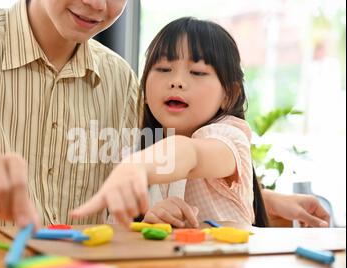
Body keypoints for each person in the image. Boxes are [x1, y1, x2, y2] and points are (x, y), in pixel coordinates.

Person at [0, 2, 329, 229]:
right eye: (165, 69)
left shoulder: (121, 79)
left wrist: (259, 200)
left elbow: (165, 167)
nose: (96, 3)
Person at [71, 17, 329, 228]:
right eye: (163, 69)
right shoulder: (142, 148)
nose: (177, 81)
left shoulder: (228, 137)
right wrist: (151, 221)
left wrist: (137, 166)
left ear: (230, 95)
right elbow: (122, 233)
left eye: (197, 72)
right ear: (145, 92)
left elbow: (190, 154)